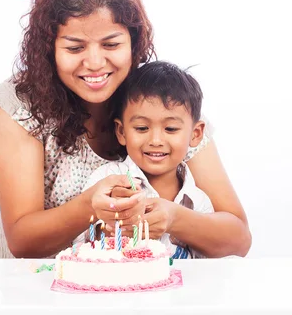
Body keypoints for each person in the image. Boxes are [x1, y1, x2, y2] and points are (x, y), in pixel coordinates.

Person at [0, 0, 251, 259]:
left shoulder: (160, 102)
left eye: (111, 44)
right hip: (29, 294)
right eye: (75, 47)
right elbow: (21, 241)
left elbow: (238, 238)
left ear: (134, 42)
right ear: (48, 49)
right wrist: (89, 207)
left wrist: (176, 218)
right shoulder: (21, 106)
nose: (95, 63)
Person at [74, 61, 216, 259]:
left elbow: (208, 261)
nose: (156, 141)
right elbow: (81, 246)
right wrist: (107, 230)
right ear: (121, 132)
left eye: (171, 129)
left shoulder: (197, 201)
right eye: (142, 128)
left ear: (196, 134)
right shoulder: (106, 181)